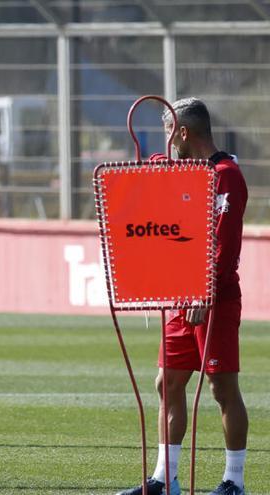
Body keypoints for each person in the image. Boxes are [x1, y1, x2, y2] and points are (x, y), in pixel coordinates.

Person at [117, 98, 249, 495]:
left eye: (170, 134)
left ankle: (234, 481)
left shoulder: (226, 175)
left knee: (221, 388)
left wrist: (205, 289)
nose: (168, 142)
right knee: (167, 381)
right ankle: (164, 479)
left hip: (213, 297)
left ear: (184, 132)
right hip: (180, 295)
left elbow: (225, 242)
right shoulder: (184, 171)